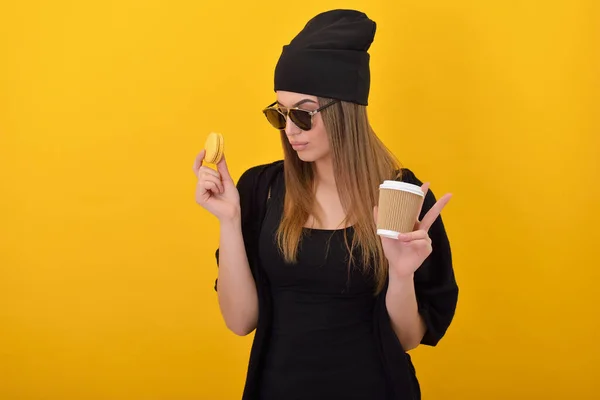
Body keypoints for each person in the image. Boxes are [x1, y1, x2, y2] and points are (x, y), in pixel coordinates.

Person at [192, 9, 458, 400]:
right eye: (279, 114)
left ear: (345, 110)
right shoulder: (259, 189)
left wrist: (400, 276)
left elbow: (407, 339)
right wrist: (230, 220)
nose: (291, 131)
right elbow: (240, 321)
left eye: (303, 113)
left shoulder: (401, 195)